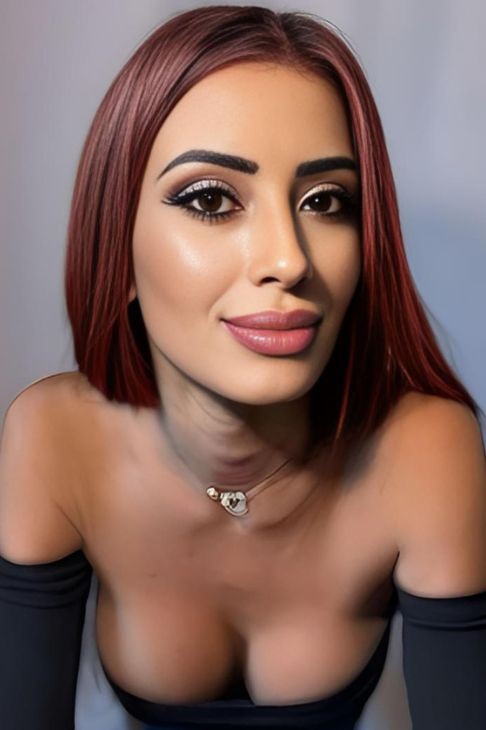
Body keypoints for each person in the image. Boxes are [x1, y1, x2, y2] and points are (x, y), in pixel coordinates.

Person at [1, 5, 485, 730]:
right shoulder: (52, 440)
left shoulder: (425, 451)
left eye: (325, 201)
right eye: (211, 199)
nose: (289, 259)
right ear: (116, 245)